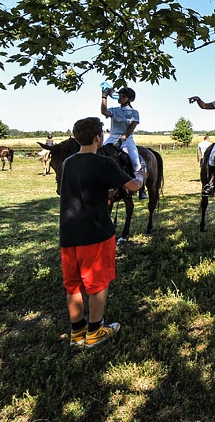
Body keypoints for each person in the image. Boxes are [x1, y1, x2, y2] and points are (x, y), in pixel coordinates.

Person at [60, 116, 143, 349]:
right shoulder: (103, 163)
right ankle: (96, 331)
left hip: (68, 234)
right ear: (98, 138)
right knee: (98, 284)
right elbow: (133, 186)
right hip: (95, 233)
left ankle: (77, 332)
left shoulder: (68, 162)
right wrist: (141, 175)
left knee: (73, 285)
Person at [101, 86, 146, 199]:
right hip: (112, 138)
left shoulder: (134, 113)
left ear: (129, 99)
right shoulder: (115, 110)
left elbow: (131, 128)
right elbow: (104, 111)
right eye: (120, 96)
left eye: (123, 96)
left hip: (127, 139)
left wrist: (123, 139)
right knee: (100, 156)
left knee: (136, 163)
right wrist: (104, 96)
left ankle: (141, 187)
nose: (120, 98)